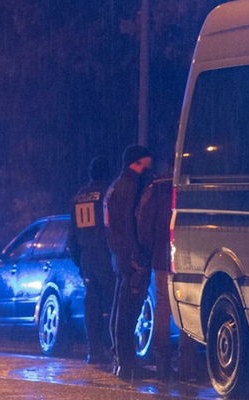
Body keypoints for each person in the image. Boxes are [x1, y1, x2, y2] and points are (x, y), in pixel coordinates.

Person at [104, 145, 153, 381]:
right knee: (128, 311)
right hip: (130, 257)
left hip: (119, 255)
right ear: (135, 163)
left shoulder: (115, 186)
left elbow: (114, 228)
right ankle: (126, 363)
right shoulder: (130, 187)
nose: (148, 167)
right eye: (145, 162)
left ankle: (120, 359)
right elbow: (130, 225)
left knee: (120, 307)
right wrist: (137, 256)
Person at [68, 156, 115, 365]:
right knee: (113, 303)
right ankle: (114, 348)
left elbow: (72, 234)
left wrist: (79, 260)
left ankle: (93, 350)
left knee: (92, 304)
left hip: (86, 256)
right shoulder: (108, 193)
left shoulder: (79, 196)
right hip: (105, 254)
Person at [136, 174, 174, 380]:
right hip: (187, 255)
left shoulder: (156, 188)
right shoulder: (187, 182)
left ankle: (163, 363)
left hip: (161, 256)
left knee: (162, 306)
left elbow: (143, 224)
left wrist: (151, 250)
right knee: (189, 306)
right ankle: (189, 363)